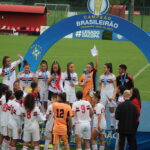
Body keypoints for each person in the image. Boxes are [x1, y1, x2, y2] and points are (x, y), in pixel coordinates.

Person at [99, 63, 117, 130]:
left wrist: (114, 95)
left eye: (105, 67)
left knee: (111, 108)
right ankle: (103, 123)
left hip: (110, 93)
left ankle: (112, 124)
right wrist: (98, 94)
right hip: (103, 94)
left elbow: (115, 87)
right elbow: (99, 85)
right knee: (102, 109)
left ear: (109, 68)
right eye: (103, 67)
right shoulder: (101, 76)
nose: (103, 69)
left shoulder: (112, 76)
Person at [0, 84, 9, 150]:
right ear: (5, 91)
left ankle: (4, 147)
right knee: (3, 135)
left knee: (3, 134)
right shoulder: (4, 98)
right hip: (4, 119)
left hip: (2, 118)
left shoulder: (2, 97)